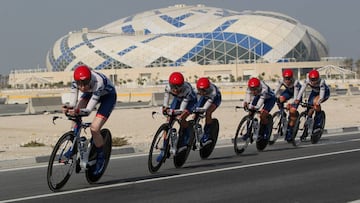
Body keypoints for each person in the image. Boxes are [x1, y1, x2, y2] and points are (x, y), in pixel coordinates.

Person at [62, 65, 117, 175]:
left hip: (108, 97)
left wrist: (78, 111)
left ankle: (101, 158)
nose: (82, 87)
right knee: (74, 115)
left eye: (85, 83)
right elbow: (73, 103)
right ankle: (74, 145)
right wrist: (68, 107)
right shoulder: (76, 82)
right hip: (91, 93)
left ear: (90, 79)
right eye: (79, 85)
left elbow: (87, 111)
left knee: (94, 128)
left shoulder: (98, 82)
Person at [158, 72, 197, 160]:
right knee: (168, 120)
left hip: (190, 101)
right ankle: (164, 148)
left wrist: (176, 113)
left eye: (178, 86)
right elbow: (166, 100)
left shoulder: (186, 90)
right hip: (178, 99)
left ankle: (188, 131)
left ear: (182, 85)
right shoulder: (168, 87)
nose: (175, 89)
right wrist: (165, 108)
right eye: (173, 86)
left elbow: (181, 110)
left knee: (181, 118)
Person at [294, 69, 330, 134]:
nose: (313, 82)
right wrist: (297, 99)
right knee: (309, 109)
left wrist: (317, 103)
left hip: (324, 93)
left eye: (315, 80)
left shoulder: (321, 82)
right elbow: (301, 90)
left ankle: (318, 125)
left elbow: (321, 96)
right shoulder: (307, 80)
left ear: (318, 78)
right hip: (314, 92)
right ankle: (309, 123)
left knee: (315, 104)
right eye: (312, 80)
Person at [273, 69, 302, 142]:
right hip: (288, 92)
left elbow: (295, 98)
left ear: (292, 78)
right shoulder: (281, 81)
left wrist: (291, 104)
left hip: (297, 94)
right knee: (280, 99)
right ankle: (282, 114)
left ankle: (290, 129)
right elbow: (275, 92)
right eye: (285, 79)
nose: (287, 81)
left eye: (289, 79)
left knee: (292, 110)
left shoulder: (296, 83)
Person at [194, 77, 222, 146]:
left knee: (208, 112)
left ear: (207, 88)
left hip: (215, 99)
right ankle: (194, 133)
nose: (201, 92)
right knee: (195, 114)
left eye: (203, 90)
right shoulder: (196, 90)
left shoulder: (213, 91)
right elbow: (194, 101)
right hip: (205, 97)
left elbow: (207, 105)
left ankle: (207, 134)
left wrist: (203, 110)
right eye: (200, 90)